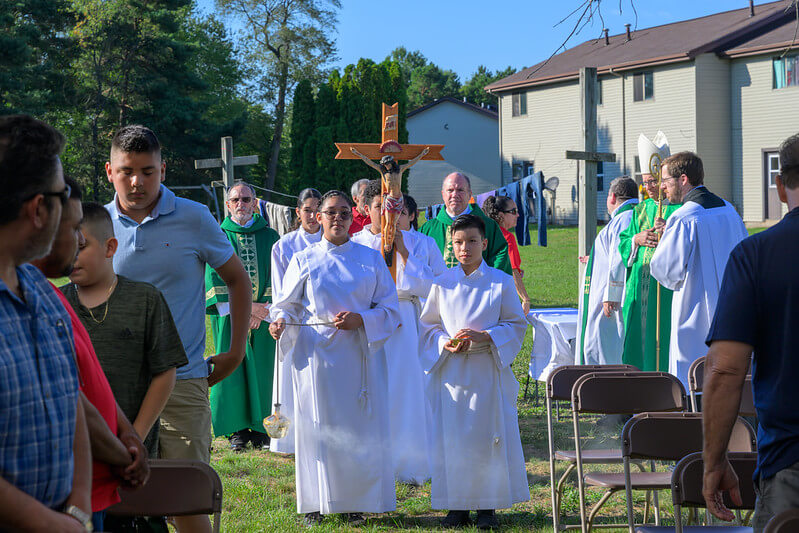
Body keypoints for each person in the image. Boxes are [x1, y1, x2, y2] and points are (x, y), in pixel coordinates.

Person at [105, 124, 251, 533]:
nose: (137, 182)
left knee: (186, 500)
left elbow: (238, 280)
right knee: (117, 501)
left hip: (183, 383)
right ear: (110, 171)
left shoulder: (194, 217)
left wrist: (236, 350)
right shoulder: (96, 224)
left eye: (148, 171)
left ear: (164, 170)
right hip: (115, 388)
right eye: (126, 171)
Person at [269, 190, 401, 526]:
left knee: (356, 427)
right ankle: (315, 502)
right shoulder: (304, 258)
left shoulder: (370, 258)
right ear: (318, 217)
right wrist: (279, 321)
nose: (338, 219)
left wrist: (362, 319)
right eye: (331, 213)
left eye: (344, 213)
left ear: (351, 217)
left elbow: (390, 309)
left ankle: (354, 500)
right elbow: (286, 304)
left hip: (358, 356)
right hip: (316, 359)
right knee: (317, 427)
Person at [34, 181, 151, 531]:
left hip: (93, 484)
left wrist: (127, 432)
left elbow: (89, 383)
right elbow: (70, 401)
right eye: (73, 231)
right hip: (65, 494)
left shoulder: (49, 295)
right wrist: (122, 454)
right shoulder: (31, 301)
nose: (76, 243)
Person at [702, 133, 799, 532]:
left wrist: (714, 462)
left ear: (780, 186)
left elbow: (725, 370)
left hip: (791, 459)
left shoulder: (755, 255)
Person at [0, 114, 92, 532]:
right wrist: (53, 525)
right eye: (62, 194)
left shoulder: (40, 290)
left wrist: (78, 510)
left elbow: (70, 403)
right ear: (38, 209)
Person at [419, 214, 529, 530]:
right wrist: (444, 342)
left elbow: (516, 324)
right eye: (458, 242)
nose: (464, 248)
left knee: (486, 436)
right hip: (452, 372)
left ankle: (487, 506)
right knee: (452, 437)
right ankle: (456, 505)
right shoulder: (442, 283)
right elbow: (428, 327)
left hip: (486, 370)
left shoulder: (500, 282)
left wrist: (487, 336)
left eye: (471, 241)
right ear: (450, 246)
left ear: (484, 242)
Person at [64, 202, 187, 460]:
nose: (71, 255)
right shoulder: (54, 303)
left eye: (82, 246)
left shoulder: (145, 299)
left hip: (132, 451)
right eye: (66, 246)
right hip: (69, 450)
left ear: (110, 247)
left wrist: (134, 437)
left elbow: (165, 372)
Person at [352, 181, 446, 485]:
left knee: (408, 389)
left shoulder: (423, 244)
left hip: (407, 318)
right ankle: (371, 461)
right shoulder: (355, 243)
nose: (389, 213)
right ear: (366, 209)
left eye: (396, 207)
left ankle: (410, 460)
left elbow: (439, 287)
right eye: (381, 207)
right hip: (368, 320)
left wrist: (404, 253)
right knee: (370, 387)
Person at [650, 152, 748, 387]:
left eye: (665, 180)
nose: (662, 187)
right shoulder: (729, 210)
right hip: (732, 308)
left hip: (695, 311)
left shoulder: (683, 217)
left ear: (683, 179)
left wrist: (664, 241)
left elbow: (665, 270)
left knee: (694, 376)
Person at [206, 181, 280, 452]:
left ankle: (261, 429)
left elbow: (278, 275)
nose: (241, 204)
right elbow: (213, 276)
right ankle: (236, 429)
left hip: (265, 318)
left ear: (255, 203)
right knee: (232, 371)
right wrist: (249, 309)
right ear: (227, 205)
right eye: (235, 200)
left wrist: (262, 310)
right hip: (231, 317)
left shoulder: (270, 236)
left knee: (263, 370)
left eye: (246, 199)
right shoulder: (218, 235)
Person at [618, 132, 681, 372]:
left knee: (663, 337)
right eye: (645, 182)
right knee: (639, 340)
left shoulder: (680, 208)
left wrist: (668, 231)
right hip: (640, 284)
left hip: (666, 289)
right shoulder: (640, 210)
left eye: (653, 181)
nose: (648, 187)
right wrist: (637, 239)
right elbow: (624, 242)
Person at [269, 187, 322, 456]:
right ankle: (289, 440)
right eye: (307, 210)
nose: (312, 216)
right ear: (298, 212)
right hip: (292, 319)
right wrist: (281, 317)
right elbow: (280, 290)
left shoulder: (334, 241)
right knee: (291, 381)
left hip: (321, 321)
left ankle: (320, 434)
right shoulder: (284, 245)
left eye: (317, 210)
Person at [575, 177, 639, 366]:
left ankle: (604, 379)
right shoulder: (632, 215)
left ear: (612, 197)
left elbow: (620, 256)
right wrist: (595, 260)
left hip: (610, 300)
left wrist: (611, 294)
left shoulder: (624, 219)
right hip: (608, 292)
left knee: (605, 344)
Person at [419, 172, 511, 274]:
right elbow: (419, 262)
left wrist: (485, 279)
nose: (455, 195)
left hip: (479, 283)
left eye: (460, 190)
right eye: (450, 190)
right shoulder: (428, 229)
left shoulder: (488, 225)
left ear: (469, 194)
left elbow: (499, 256)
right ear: (443, 194)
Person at [483, 195, 533, 315]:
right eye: (513, 211)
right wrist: (525, 299)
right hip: (497, 297)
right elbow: (513, 270)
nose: (518, 215)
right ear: (501, 215)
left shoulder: (483, 233)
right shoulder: (507, 238)